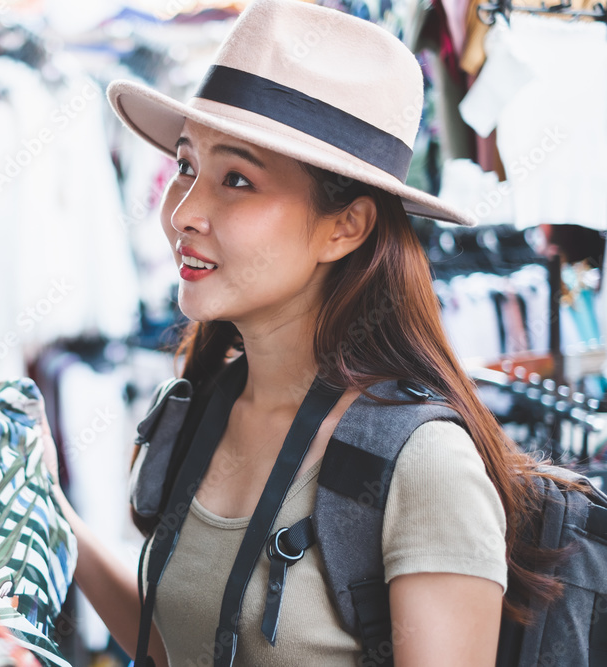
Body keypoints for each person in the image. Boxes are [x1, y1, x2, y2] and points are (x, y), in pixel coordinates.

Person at [42, 1, 564, 665]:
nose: (184, 213)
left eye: (237, 179)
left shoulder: (423, 466)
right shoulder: (205, 402)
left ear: (345, 226)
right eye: (184, 166)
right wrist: (50, 512)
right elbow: (178, 644)